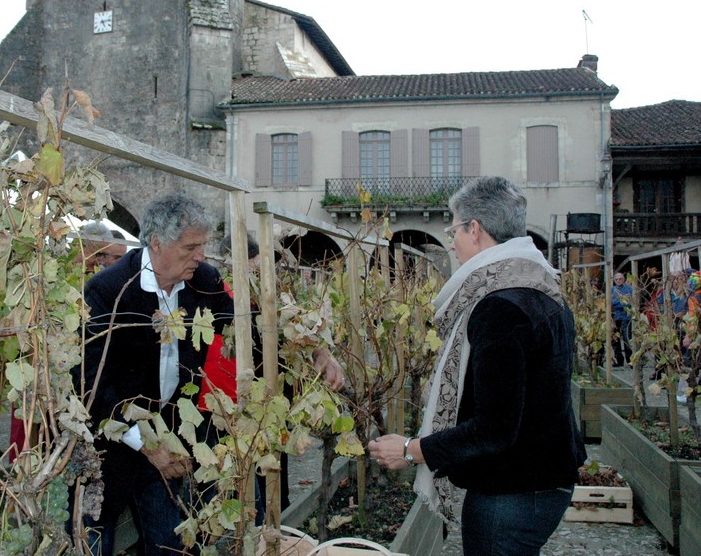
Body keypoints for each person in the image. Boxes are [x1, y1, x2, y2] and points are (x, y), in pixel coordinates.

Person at [75, 194, 343, 555]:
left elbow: (249, 331)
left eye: (201, 245)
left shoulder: (204, 280)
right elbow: (90, 384)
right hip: (112, 443)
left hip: (169, 438)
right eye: (190, 247)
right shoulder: (108, 289)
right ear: (157, 243)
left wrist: (315, 350)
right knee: (94, 540)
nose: (200, 255)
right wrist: (147, 443)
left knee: (173, 544)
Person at [367, 176, 586, 556]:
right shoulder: (542, 287)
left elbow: (495, 428)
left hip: (511, 492)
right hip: (543, 481)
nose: (450, 241)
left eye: (453, 230)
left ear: (475, 229)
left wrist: (410, 449)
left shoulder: (499, 306)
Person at [611, 272, 634, 367]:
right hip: (615, 318)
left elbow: (629, 302)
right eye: (616, 279)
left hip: (626, 317)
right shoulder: (612, 290)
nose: (618, 281)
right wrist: (621, 302)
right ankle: (618, 360)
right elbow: (610, 302)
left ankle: (630, 360)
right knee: (615, 339)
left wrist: (619, 303)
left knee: (627, 339)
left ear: (624, 279)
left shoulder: (629, 288)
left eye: (620, 279)